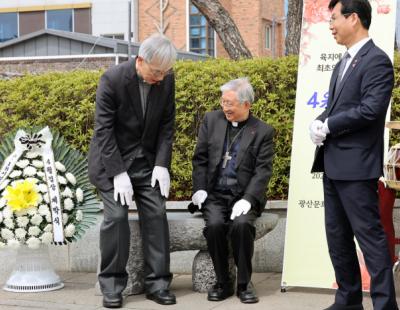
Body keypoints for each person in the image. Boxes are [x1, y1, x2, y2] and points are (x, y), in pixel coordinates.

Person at [309, 0, 398, 309]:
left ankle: (386, 305)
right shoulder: (343, 62)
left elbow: (371, 110)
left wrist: (330, 124)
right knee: (338, 240)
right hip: (333, 164)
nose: (330, 25)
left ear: (354, 18)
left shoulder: (377, 61)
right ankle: (347, 301)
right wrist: (320, 120)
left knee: (371, 241)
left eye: (334, 18)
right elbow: (339, 108)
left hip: (357, 167)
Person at [88, 33, 177, 308]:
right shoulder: (112, 79)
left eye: (165, 72)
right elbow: (103, 131)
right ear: (140, 61)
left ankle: (158, 283)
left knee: (157, 213)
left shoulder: (166, 79)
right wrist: (117, 173)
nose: (160, 78)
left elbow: (166, 125)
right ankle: (113, 285)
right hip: (113, 163)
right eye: (156, 72)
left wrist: (162, 164)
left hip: (147, 164)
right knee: (115, 218)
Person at [191, 77, 274, 304]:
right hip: (215, 195)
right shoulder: (212, 120)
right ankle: (223, 282)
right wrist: (199, 189)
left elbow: (263, 171)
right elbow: (200, 159)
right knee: (216, 226)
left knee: (242, 225)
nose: (224, 107)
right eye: (223, 102)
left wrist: (248, 198)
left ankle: (245, 283)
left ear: (246, 104)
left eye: (230, 103)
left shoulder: (263, 131)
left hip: (243, 196)